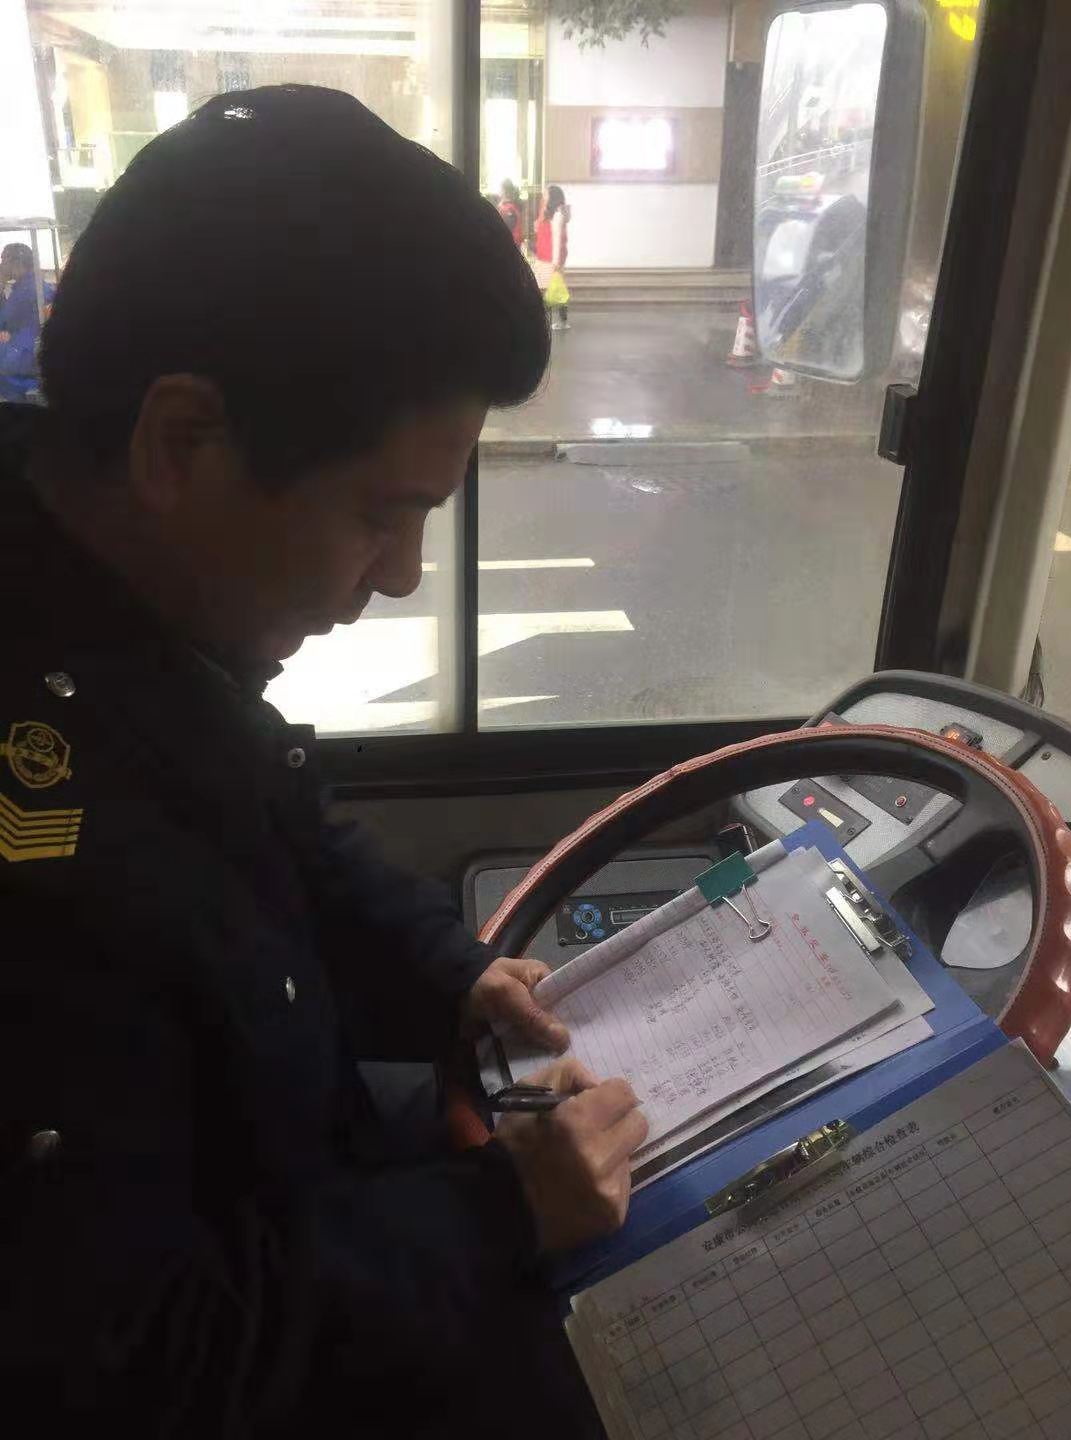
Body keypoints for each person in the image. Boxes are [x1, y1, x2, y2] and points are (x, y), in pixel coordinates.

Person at [0, 86, 647, 1438]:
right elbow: (121, 1362)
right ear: (182, 442)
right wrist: (498, 1214)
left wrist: (450, 974)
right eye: (379, 514)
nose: (401, 575)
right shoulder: (36, 863)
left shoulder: (143, 619)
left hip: (311, 1183)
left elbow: (285, 833)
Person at [0, 241, 54, 402]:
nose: (1, 265)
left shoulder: (26, 291)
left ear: (17, 263)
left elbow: (3, 320)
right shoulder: (34, 285)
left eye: (3, 260)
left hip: (22, 357)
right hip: (28, 350)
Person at [532, 184, 571, 331]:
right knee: (547, 290)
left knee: (555, 290)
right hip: (544, 257)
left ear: (552, 196)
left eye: (546, 194)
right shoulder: (549, 213)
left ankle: (560, 321)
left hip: (551, 259)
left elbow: (557, 238)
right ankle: (547, 321)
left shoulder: (558, 214)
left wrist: (556, 262)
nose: (544, 196)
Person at [496, 179, 524, 247]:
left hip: (509, 246)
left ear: (504, 191)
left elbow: (506, 230)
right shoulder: (509, 206)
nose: (498, 191)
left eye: (499, 189)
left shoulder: (508, 208)